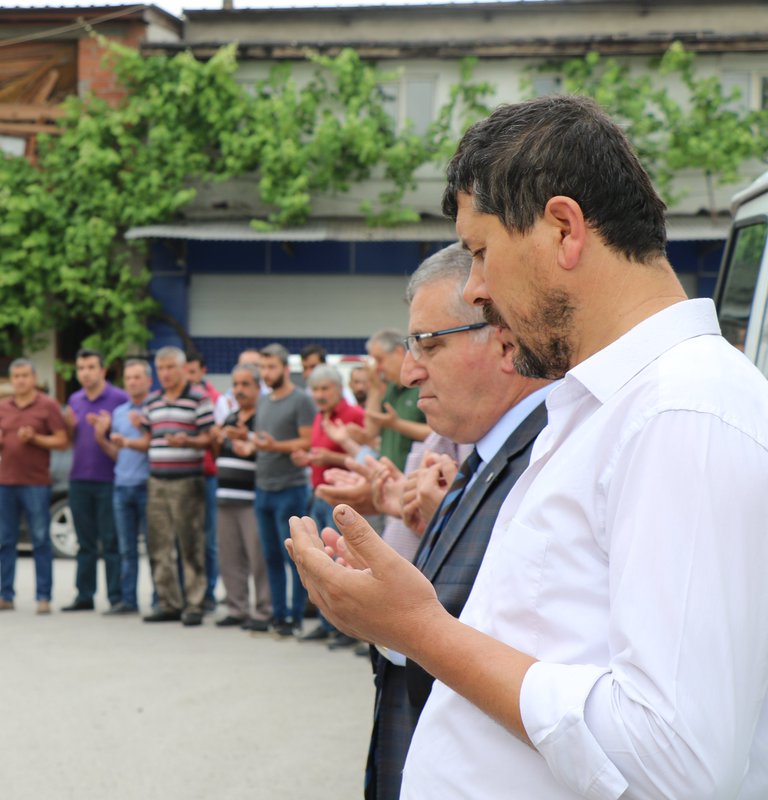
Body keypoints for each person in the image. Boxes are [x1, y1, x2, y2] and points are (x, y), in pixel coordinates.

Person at [288, 95, 768, 798]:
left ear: (564, 229)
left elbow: (679, 764)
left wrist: (420, 629)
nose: (476, 291)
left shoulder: (681, 410)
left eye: (481, 253)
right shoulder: (608, 402)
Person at [362, 246, 551, 800]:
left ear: (504, 340)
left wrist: (388, 620)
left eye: (429, 344)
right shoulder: (487, 454)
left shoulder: (543, 458)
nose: (408, 370)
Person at [120, 346, 213, 626]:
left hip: (188, 480)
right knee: (158, 545)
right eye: (161, 369)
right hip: (157, 480)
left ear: (184, 369)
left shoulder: (199, 399)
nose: (166, 374)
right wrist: (124, 440)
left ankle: (195, 603)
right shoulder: (153, 401)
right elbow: (149, 439)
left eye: (171, 367)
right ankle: (168, 602)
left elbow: (209, 438)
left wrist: (189, 441)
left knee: (190, 544)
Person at [0, 359, 68, 614]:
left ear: (34, 378)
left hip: (35, 482)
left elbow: (62, 440)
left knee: (40, 540)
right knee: (6, 541)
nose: (20, 380)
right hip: (6, 482)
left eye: (24, 376)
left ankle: (44, 596)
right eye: (16, 376)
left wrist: (35, 438)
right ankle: (5, 595)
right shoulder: (2, 407)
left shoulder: (47, 405)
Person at [291, 363, 362, 644]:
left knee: (343, 562)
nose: (319, 394)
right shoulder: (321, 417)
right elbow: (320, 452)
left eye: (325, 389)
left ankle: (350, 628)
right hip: (318, 495)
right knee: (318, 560)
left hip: (344, 502)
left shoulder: (353, 416)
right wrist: (308, 459)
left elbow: (363, 458)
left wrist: (329, 459)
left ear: (338, 389)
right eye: (315, 389)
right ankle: (327, 623)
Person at [251, 343, 315, 638]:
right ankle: (278, 616)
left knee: (294, 557)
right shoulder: (263, 402)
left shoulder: (301, 400)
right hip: (263, 487)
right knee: (271, 556)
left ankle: (295, 616)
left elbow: (306, 441)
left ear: (285, 369)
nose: (266, 373)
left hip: (290, 488)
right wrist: (247, 443)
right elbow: (262, 441)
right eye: (263, 368)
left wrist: (274, 446)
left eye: (271, 367)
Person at [62, 349, 128, 612]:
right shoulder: (74, 400)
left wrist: (107, 429)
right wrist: (68, 425)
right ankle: (84, 595)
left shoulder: (118, 399)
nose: (85, 373)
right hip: (79, 478)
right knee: (84, 542)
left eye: (90, 367)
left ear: (102, 370)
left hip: (109, 478)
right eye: (80, 368)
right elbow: (68, 440)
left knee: (111, 541)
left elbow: (125, 438)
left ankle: (116, 596)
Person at [210, 363, 270, 631]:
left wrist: (247, 436)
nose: (240, 390)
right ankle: (236, 608)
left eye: (246, 385)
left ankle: (264, 610)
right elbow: (218, 452)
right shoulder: (230, 417)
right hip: (225, 496)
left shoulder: (264, 417)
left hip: (252, 498)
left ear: (258, 387)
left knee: (258, 558)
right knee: (229, 556)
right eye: (236, 385)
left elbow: (269, 448)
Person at [93, 359, 152, 616]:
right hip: (122, 485)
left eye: (138, 377)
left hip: (148, 485)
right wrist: (101, 436)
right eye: (128, 378)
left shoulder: (154, 410)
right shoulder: (118, 413)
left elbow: (155, 447)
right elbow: (117, 453)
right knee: (125, 548)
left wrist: (141, 429)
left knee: (155, 547)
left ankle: (161, 599)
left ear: (149, 381)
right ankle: (128, 600)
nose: (133, 382)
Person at [185, 350, 228, 612]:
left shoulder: (216, 400)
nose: (188, 377)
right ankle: (191, 591)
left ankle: (209, 592)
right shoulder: (181, 399)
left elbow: (219, 440)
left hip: (211, 475)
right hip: (188, 474)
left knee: (209, 538)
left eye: (192, 372)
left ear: (202, 371)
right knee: (190, 537)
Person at [362, 330, 430, 470]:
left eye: (380, 360)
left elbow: (438, 435)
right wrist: (374, 387)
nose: (378, 368)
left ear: (399, 352)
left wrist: (396, 424)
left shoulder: (422, 386)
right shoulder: (390, 390)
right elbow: (371, 431)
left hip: (413, 478)